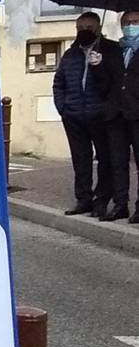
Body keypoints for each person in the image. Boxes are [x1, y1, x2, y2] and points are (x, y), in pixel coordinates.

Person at [52, 11, 122, 219]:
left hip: (99, 115)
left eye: (89, 28)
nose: (84, 32)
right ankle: (83, 199)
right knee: (80, 159)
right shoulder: (71, 53)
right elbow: (59, 82)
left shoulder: (110, 50)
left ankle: (101, 200)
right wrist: (62, 108)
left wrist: (98, 66)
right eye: (80, 28)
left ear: (99, 28)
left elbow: (114, 83)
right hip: (73, 115)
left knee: (105, 159)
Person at [112, 10, 139, 224]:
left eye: (135, 22)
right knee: (118, 162)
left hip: (137, 113)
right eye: (127, 22)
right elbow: (106, 83)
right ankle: (120, 204)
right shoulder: (115, 50)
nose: (130, 26)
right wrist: (96, 66)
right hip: (116, 114)